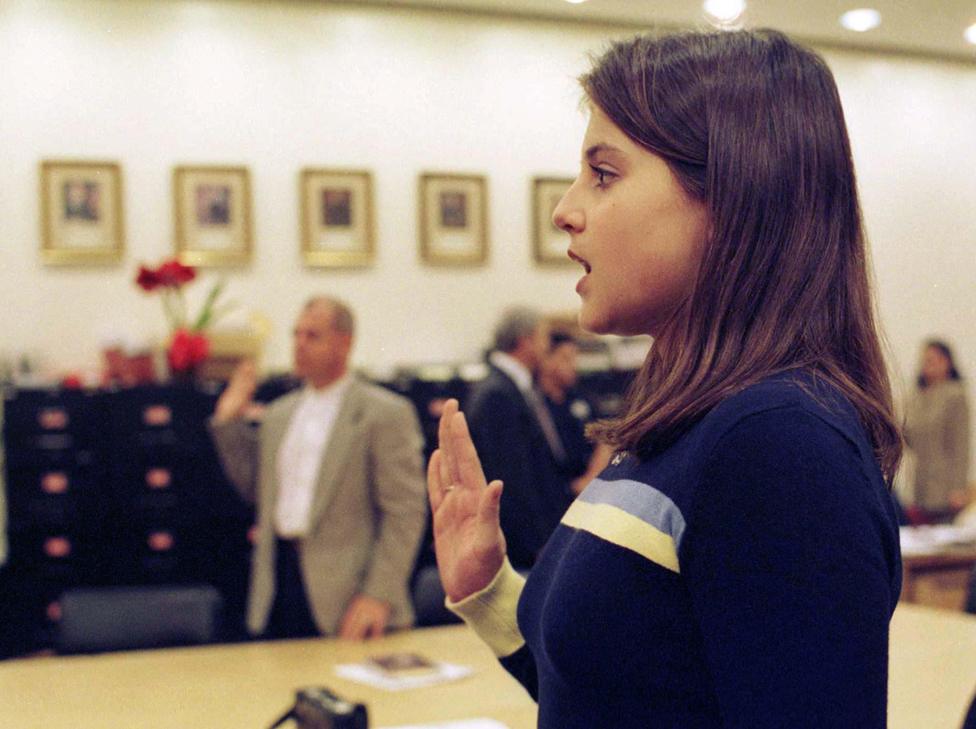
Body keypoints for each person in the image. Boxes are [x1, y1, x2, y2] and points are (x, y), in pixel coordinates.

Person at [427, 29, 903, 727]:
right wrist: (488, 591)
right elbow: (614, 692)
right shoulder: (687, 419)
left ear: (732, 197)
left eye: (604, 174)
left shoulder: (778, 440)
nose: (565, 209)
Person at [209, 296, 427, 640]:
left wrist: (378, 593)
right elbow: (258, 490)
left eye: (313, 336)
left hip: (348, 588)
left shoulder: (384, 413)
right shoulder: (279, 414)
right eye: (296, 335)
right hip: (280, 577)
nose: (299, 345)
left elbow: (405, 512)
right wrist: (228, 422)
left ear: (345, 343)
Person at [465, 307, 574, 570]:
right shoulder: (498, 393)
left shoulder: (512, 386)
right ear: (526, 341)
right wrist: (536, 545)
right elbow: (511, 478)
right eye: (543, 337)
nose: (547, 346)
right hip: (521, 550)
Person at [903, 339, 971, 522]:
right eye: (925, 361)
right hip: (920, 480)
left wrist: (958, 488)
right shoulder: (918, 396)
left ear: (947, 362)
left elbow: (960, 445)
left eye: (933, 360)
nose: (928, 366)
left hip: (945, 484)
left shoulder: (954, 395)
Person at [537, 330, 611, 494]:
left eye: (574, 358)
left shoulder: (581, 398)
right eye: (566, 358)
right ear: (546, 360)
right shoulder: (535, 404)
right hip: (554, 492)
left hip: (590, 486)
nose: (573, 365)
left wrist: (590, 479)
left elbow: (605, 439)